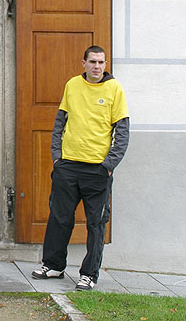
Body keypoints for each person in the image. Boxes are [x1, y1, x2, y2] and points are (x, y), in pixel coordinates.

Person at [31, 45, 129, 291]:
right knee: (59, 218)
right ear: (83, 63)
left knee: (96, 224)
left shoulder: (114, 89)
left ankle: (89, 275)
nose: (97, 66)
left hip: (97, 170)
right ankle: (53, 266)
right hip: (68, 167)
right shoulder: (72, 85)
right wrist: (57, 158)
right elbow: (60, 122)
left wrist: (108, 165)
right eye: (93, 62)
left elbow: (123, 132)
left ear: (105, 65)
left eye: (101, 62)